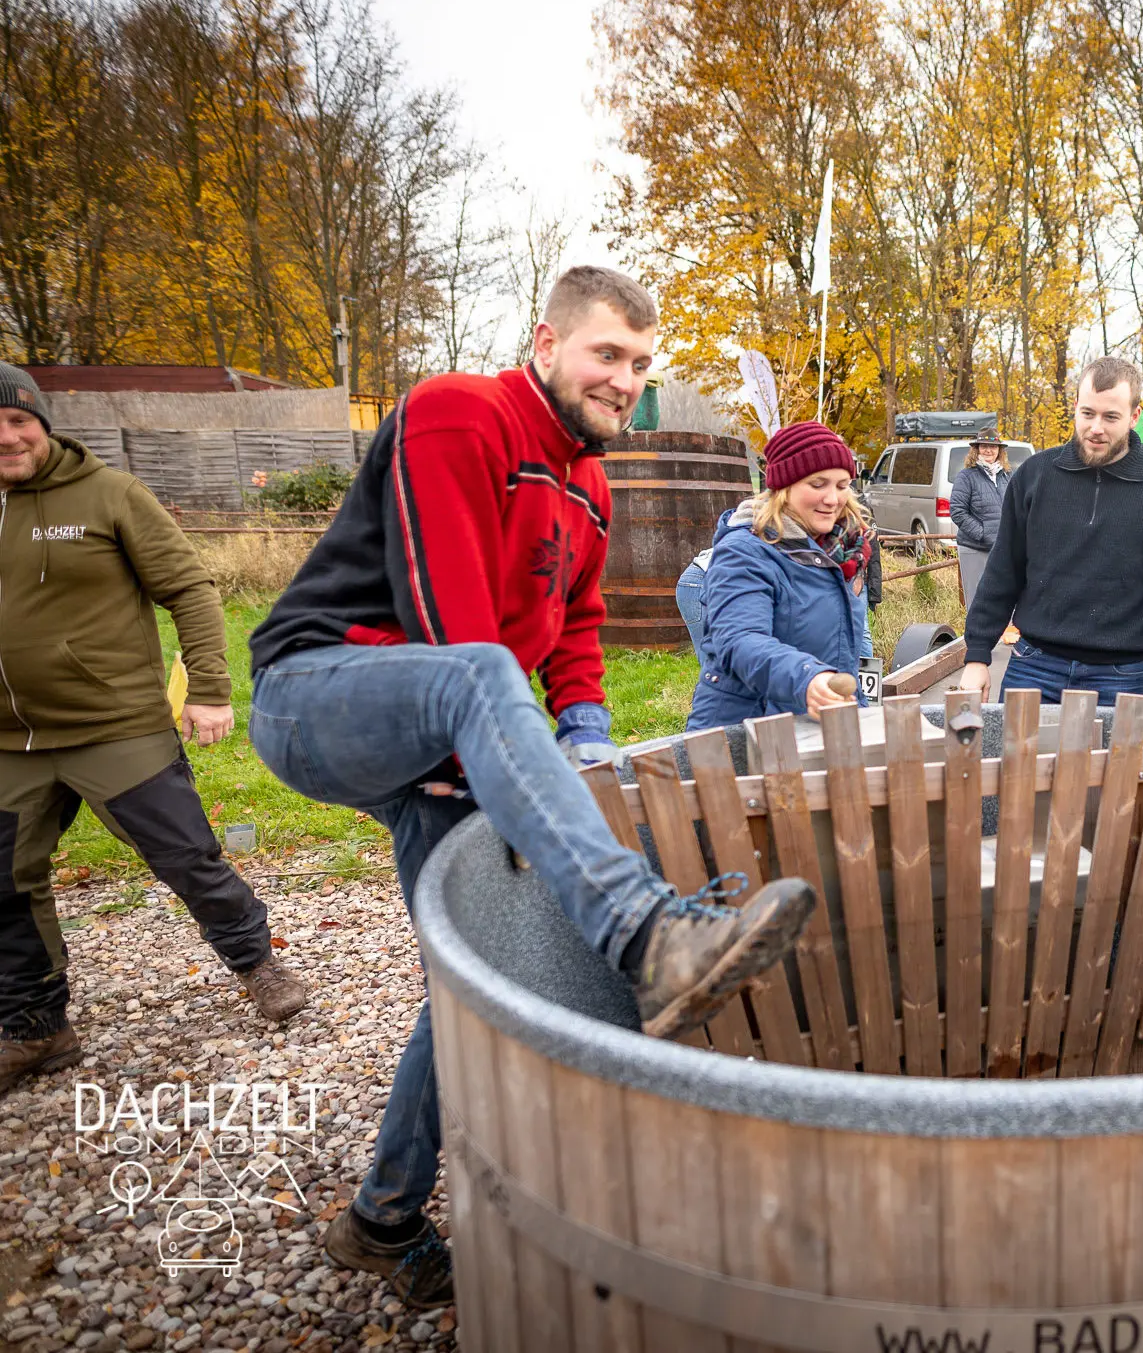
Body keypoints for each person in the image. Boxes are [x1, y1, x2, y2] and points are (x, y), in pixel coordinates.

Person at [247, 268, 816, 1305]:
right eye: (607, 355)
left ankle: (379, 1217)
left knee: (458, 984)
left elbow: (579, 632)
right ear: (545, 342)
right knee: (481, 676)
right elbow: (449, 624)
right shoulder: (454, 414)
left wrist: (587, 737)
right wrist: (519, 772)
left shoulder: (589, 486)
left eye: (641, 365)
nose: (624, 380)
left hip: (448, 741)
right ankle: (649, 938)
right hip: (320, 690)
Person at [0, 363, 309, 1095]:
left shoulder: (107, 494)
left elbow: (190, 589)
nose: (7, 436)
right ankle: (37, 1023)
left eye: (20, 420)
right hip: (11, 743)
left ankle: (259, 964)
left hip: (117, 725)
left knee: (185, 856)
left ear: (43, 423)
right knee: (3, 881)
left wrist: (208, 688)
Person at [960, 358, 1143, 703]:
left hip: (1120, 678)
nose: (1096, 427)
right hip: (1033, 668)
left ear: (1134, 416)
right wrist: (977, 654)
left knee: (1112, 761)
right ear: (1075, 408)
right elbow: (1003, 570)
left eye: (1110, 417)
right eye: (1087, 414)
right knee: (1014, 760)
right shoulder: (1034, 476)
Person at [686, 422, 872, 729]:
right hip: (746, 732)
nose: (832, 499)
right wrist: (808, 678)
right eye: (817, 484)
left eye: (842, 486)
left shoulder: (840, 550)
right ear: (784, 488)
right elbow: (740, 640)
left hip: (814, 724)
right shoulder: (744, 551)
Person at [950, 435, 1010, 609]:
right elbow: (957, 511)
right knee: (977, 601)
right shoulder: (966, 476)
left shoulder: (1006, 476)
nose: (988, 450)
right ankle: (976, 636)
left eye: (993, 446)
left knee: (1001, 600)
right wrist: (982, 534)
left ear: (1000, 450)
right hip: (974, 548)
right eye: (984, 446)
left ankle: (998, 636)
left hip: (1001, 548)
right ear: (976, 449)